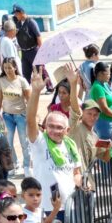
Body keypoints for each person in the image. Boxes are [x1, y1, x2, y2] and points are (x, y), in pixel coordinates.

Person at [27, 73, 83, 210]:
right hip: (48, 208)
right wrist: (35, 93)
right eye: (51, 126)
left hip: (71, 206)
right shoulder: (39, 142)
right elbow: (30, 120)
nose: (54, 131)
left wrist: (79, 182)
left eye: (59, 128)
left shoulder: (70, 144)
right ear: (45, 127)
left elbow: (76, 171)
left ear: (67, 130)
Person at [0, 57, 32, 175]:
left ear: (15, 67)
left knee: (24, 142)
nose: (7, 70)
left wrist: (32, 115)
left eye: (9, 67)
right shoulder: (0, 80)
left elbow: (29, 99)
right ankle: (13, 163)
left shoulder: (22, 81)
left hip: (21, 115)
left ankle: (26, 165)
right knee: (8, 142)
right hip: (7, 115)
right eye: (5, 68)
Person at [12, 5, 41, 82]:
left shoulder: (31, 22)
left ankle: (49, 87)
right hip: (24, 51)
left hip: (33, 50)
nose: (15, 15)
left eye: (16, 13)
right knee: (26, 72)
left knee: (40, 69)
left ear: (21, 13)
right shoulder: (18, 23)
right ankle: (26, 88)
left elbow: (38, 36)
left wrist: (41, 50)